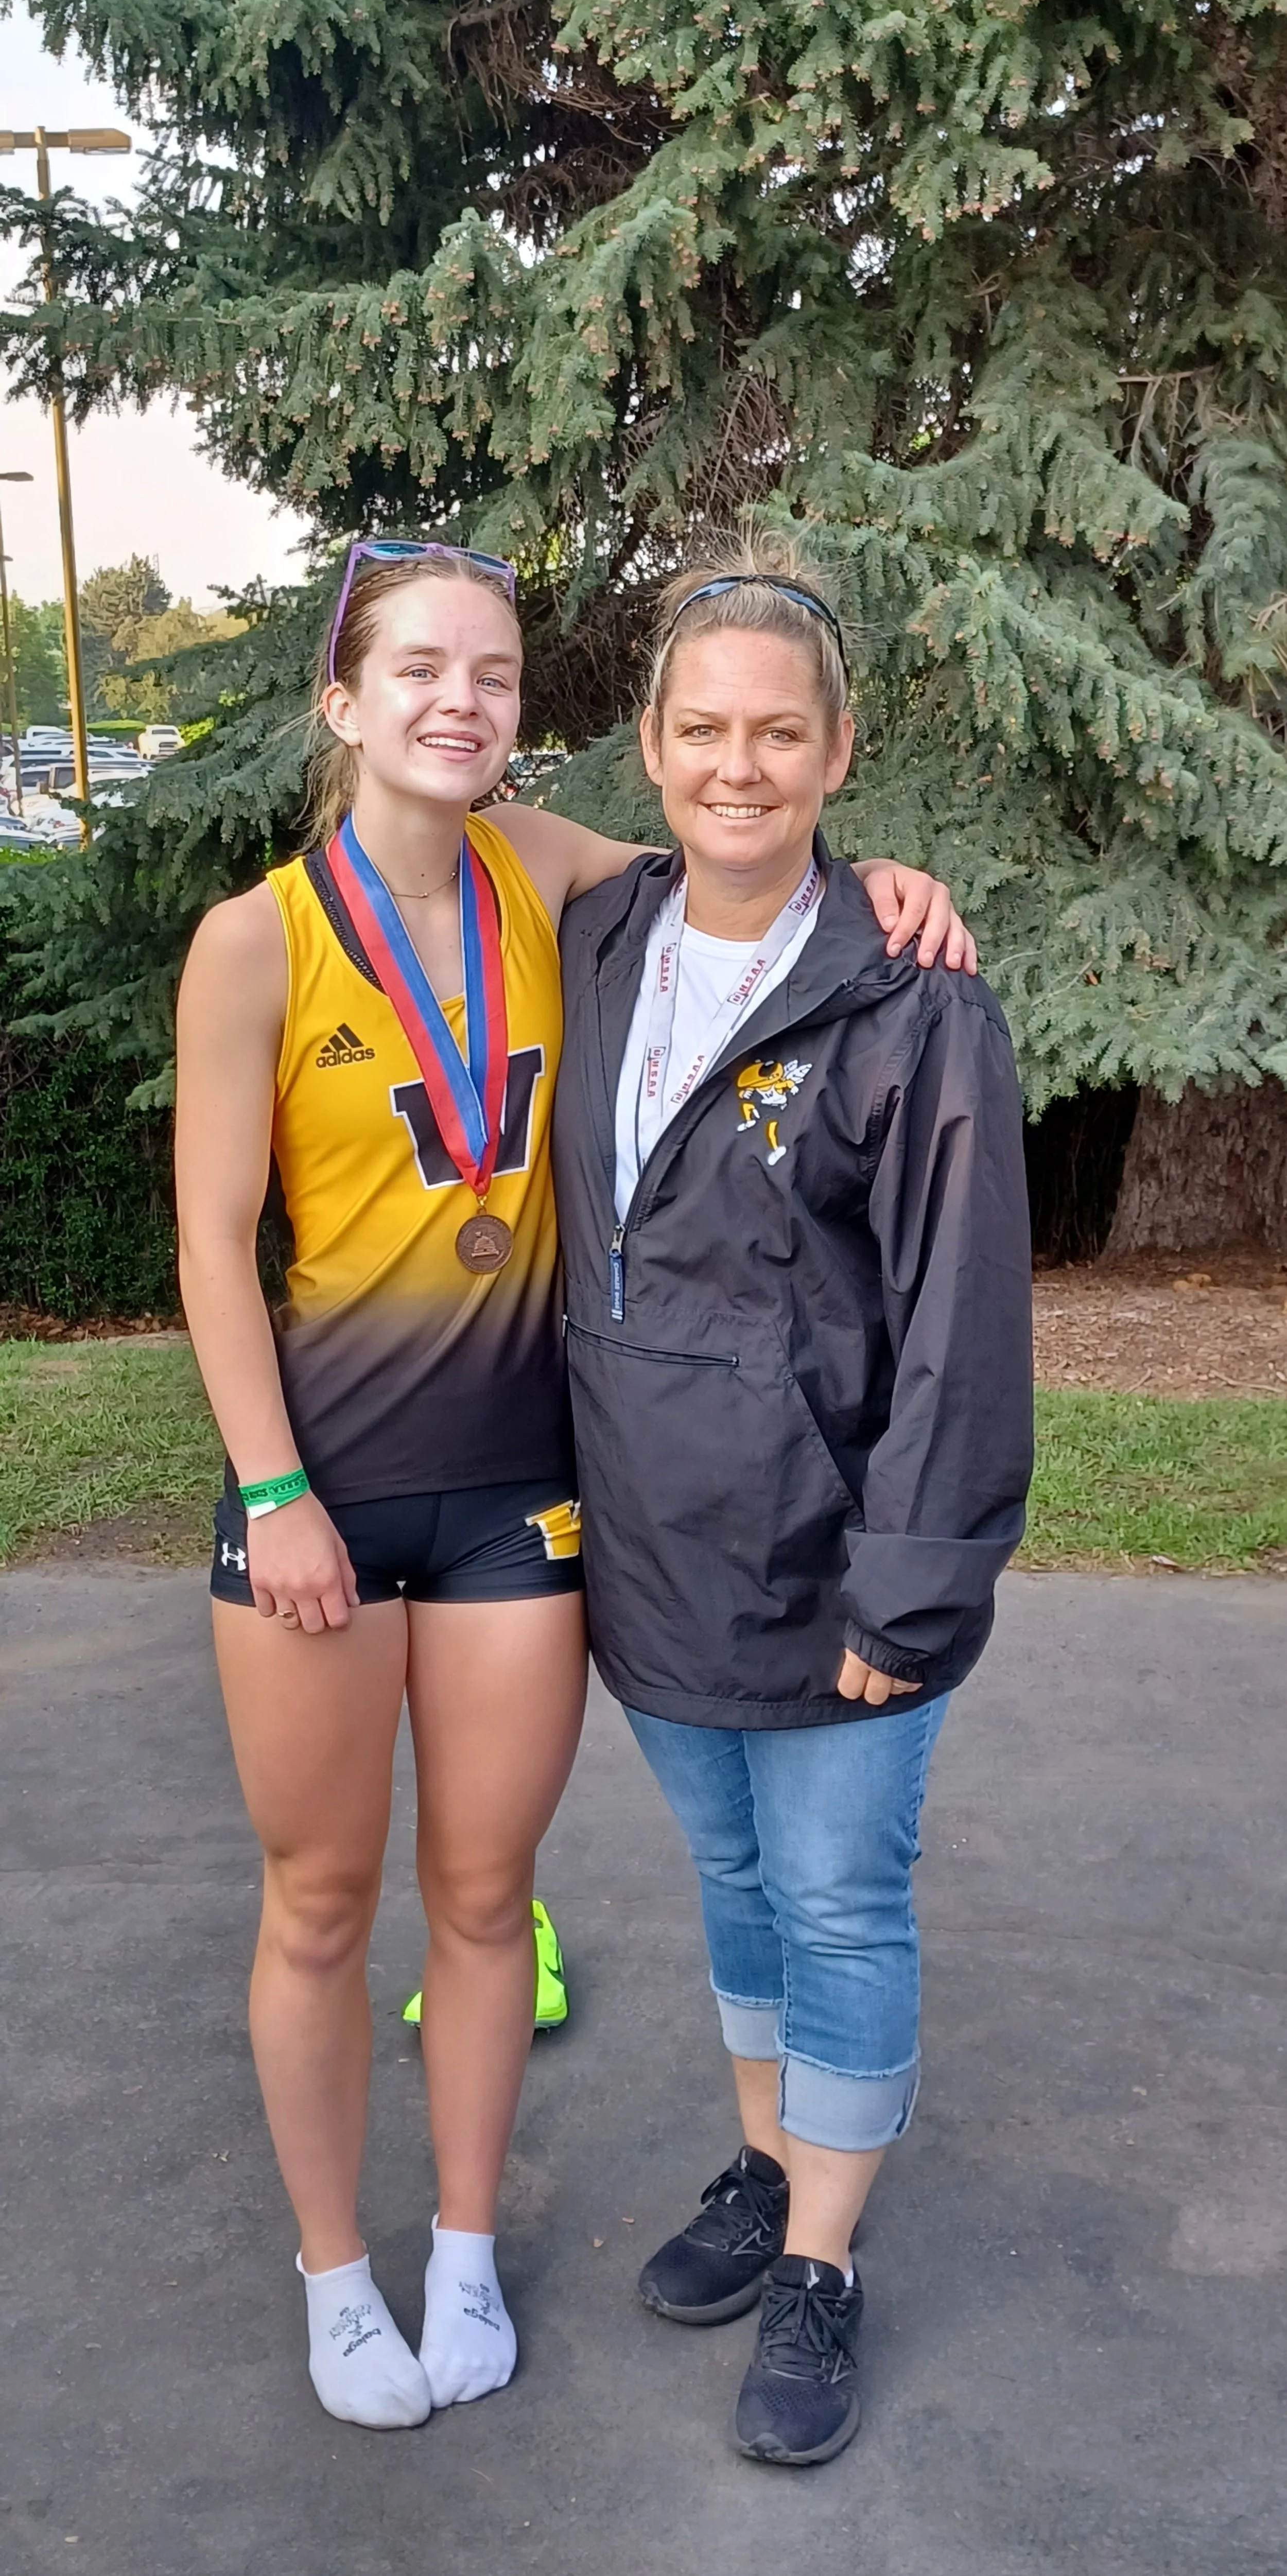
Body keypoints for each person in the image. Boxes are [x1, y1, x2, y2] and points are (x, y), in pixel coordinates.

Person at [173, 536, 974, 2432]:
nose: (461, 700)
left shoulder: (549, 874)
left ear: (531, 711)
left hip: (520, 1498)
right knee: (315, 1899)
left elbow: (754, 865)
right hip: (318, 1495)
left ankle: (461, 2249)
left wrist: (887, 883)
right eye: (420, 669)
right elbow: (212, 1243)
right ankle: (331, 2276)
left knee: (481, 1896)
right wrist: (272, 1486)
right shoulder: (253, 938)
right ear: (341, 698)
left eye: (496, 673)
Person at [552, 534, 1034, 2468]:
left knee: (839, 1898)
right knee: (735, 1881)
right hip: (651, 1557)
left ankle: (822, 2256)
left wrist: (904, 1596)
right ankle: (765, 2160)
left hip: (835, 1567)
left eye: (775, 732)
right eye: (697, 728)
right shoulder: (594, 935)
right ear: (651, 748)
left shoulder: (916, 1005)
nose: (733, 764)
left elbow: (959, 1338)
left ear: (839, 755)